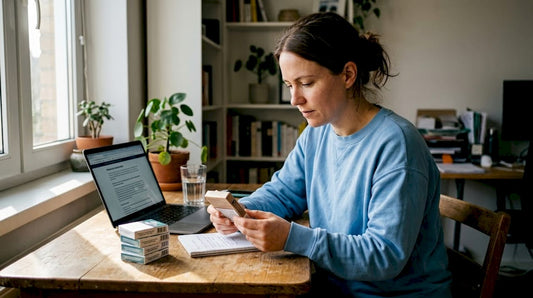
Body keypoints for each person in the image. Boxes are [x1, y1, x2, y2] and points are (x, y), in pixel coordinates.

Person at [207, 12, 451, 297]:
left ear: (348, 74)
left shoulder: (398, 146)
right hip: (332, 285)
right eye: (289, 85)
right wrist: (240, 211)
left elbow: (384, 256)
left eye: (306, 83)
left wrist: (291, 237)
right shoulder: (317, 132)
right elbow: (284, 192)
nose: (294, 99)